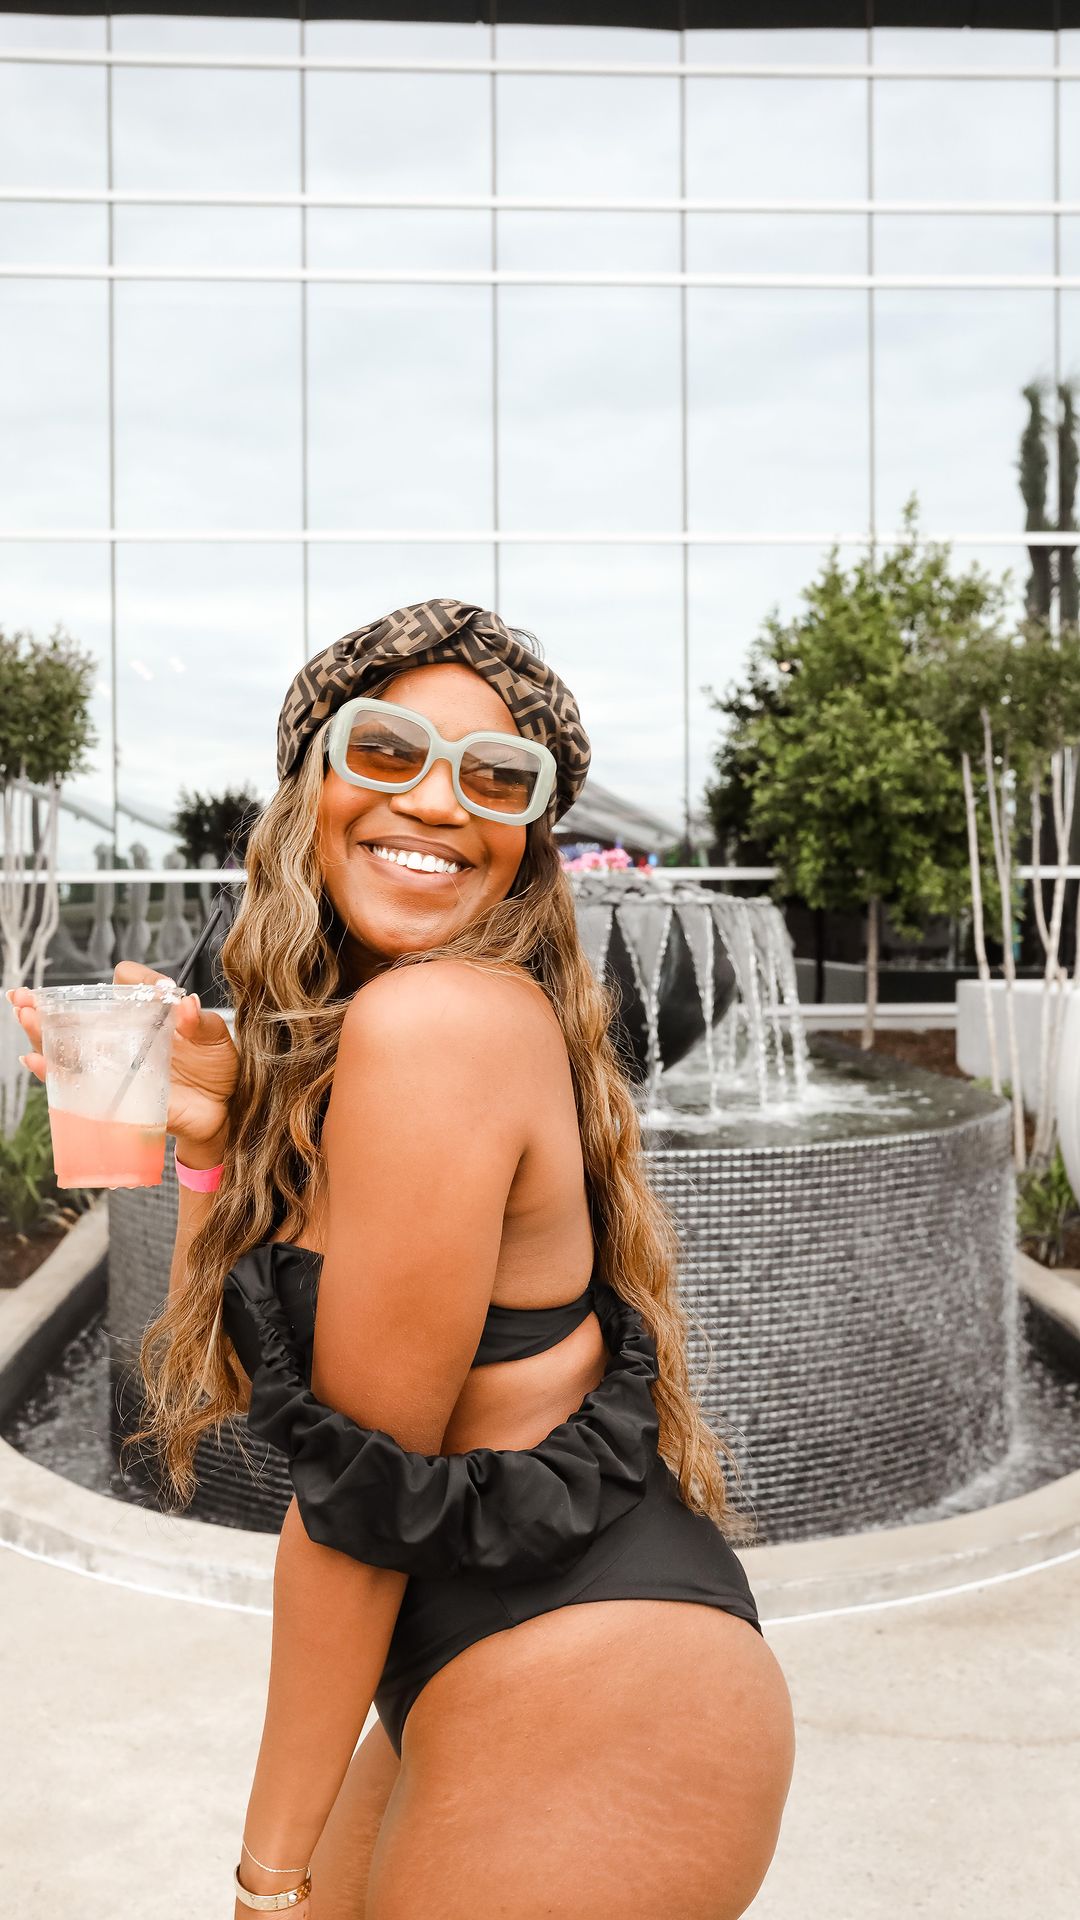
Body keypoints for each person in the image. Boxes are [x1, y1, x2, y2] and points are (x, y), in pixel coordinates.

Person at [9, 599, 795, 1919]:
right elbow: (271, 1402)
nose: (436, 801)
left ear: (530, 837)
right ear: (309, 786)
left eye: (494, 777)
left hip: (602, 1682)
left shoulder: (436, 1025)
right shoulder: (374, 1040)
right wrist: (211, 1147)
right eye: (387, 750)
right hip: (487, 1654)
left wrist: (269, 1878)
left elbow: (358, 1510)